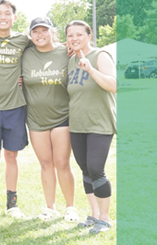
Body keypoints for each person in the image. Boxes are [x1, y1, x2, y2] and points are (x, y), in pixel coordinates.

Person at [21, 17, 78, 221]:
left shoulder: (65, 52)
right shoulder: (25, 53)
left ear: (52, 32)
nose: (40, 35)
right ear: (30, 34)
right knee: (45, 163)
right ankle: (50, 207)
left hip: (62, 117)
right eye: (35, 31)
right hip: (36, 119)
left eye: (44, 30)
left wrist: (71, 45)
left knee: (62, 162)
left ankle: (70, 207)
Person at [65, 20, 116, 234]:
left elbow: (113, 85)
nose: (75, 38)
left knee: (96, 169)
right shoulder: (70, 60)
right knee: (85, 170)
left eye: (79, 34)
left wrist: (91, 69)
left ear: (89, 35)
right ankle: (94, 214)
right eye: (70, 35)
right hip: (77, 124)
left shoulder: (100, 55)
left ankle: (105, 218)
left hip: (99, 123)